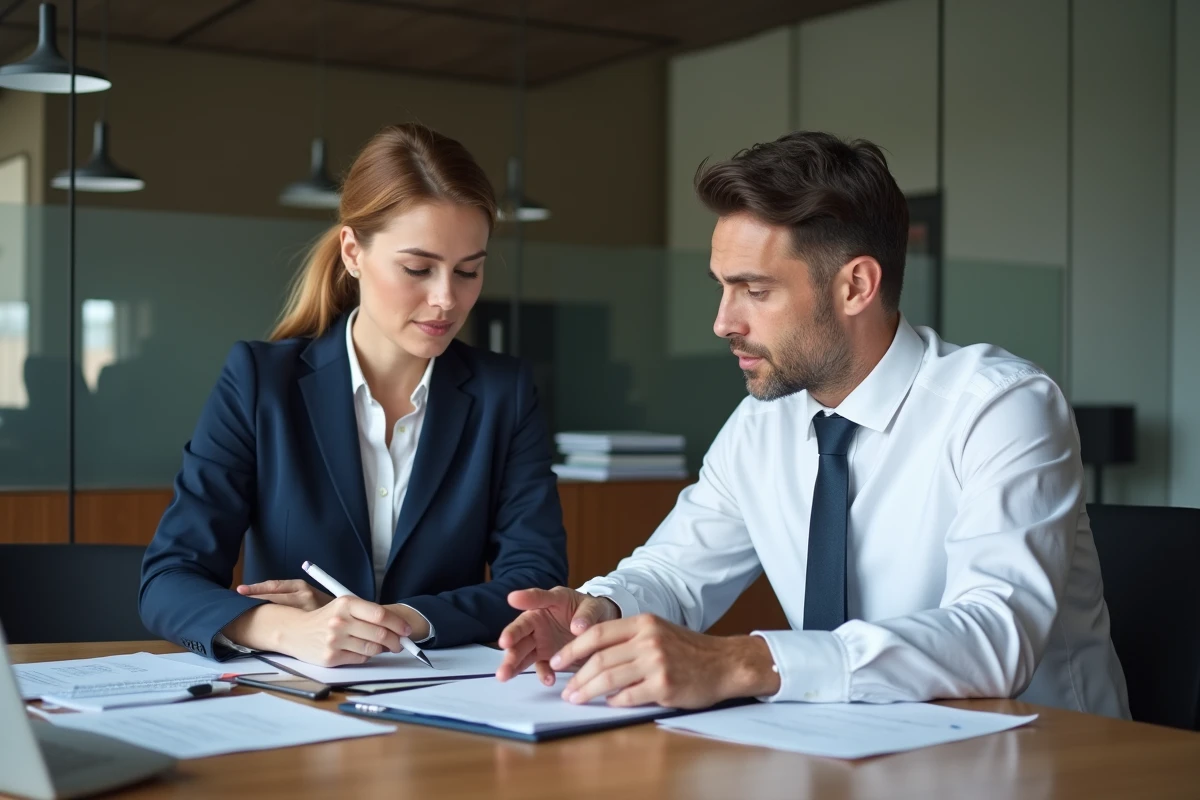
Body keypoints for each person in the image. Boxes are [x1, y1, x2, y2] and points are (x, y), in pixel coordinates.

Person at [497, 131, 1129, 718]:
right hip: (850, 752)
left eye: (755, 289)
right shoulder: (762, 424)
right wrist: (593, 611)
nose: (723, 322)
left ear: (855, 286)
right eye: (721, 287)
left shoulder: (1001, 407)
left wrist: (747, 660)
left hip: (1040, 759)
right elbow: (675, 574)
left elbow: (996, 636)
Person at [140, 123, 567, 665]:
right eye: (418, 268)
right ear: (352, 252)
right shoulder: (259, 381)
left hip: (446, 701)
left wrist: (397, 620)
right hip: (295, 707)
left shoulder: (503, 393)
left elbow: (535, 581)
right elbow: (168, 579)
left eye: (468, 271)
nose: (446, 299)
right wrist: (287, 629)